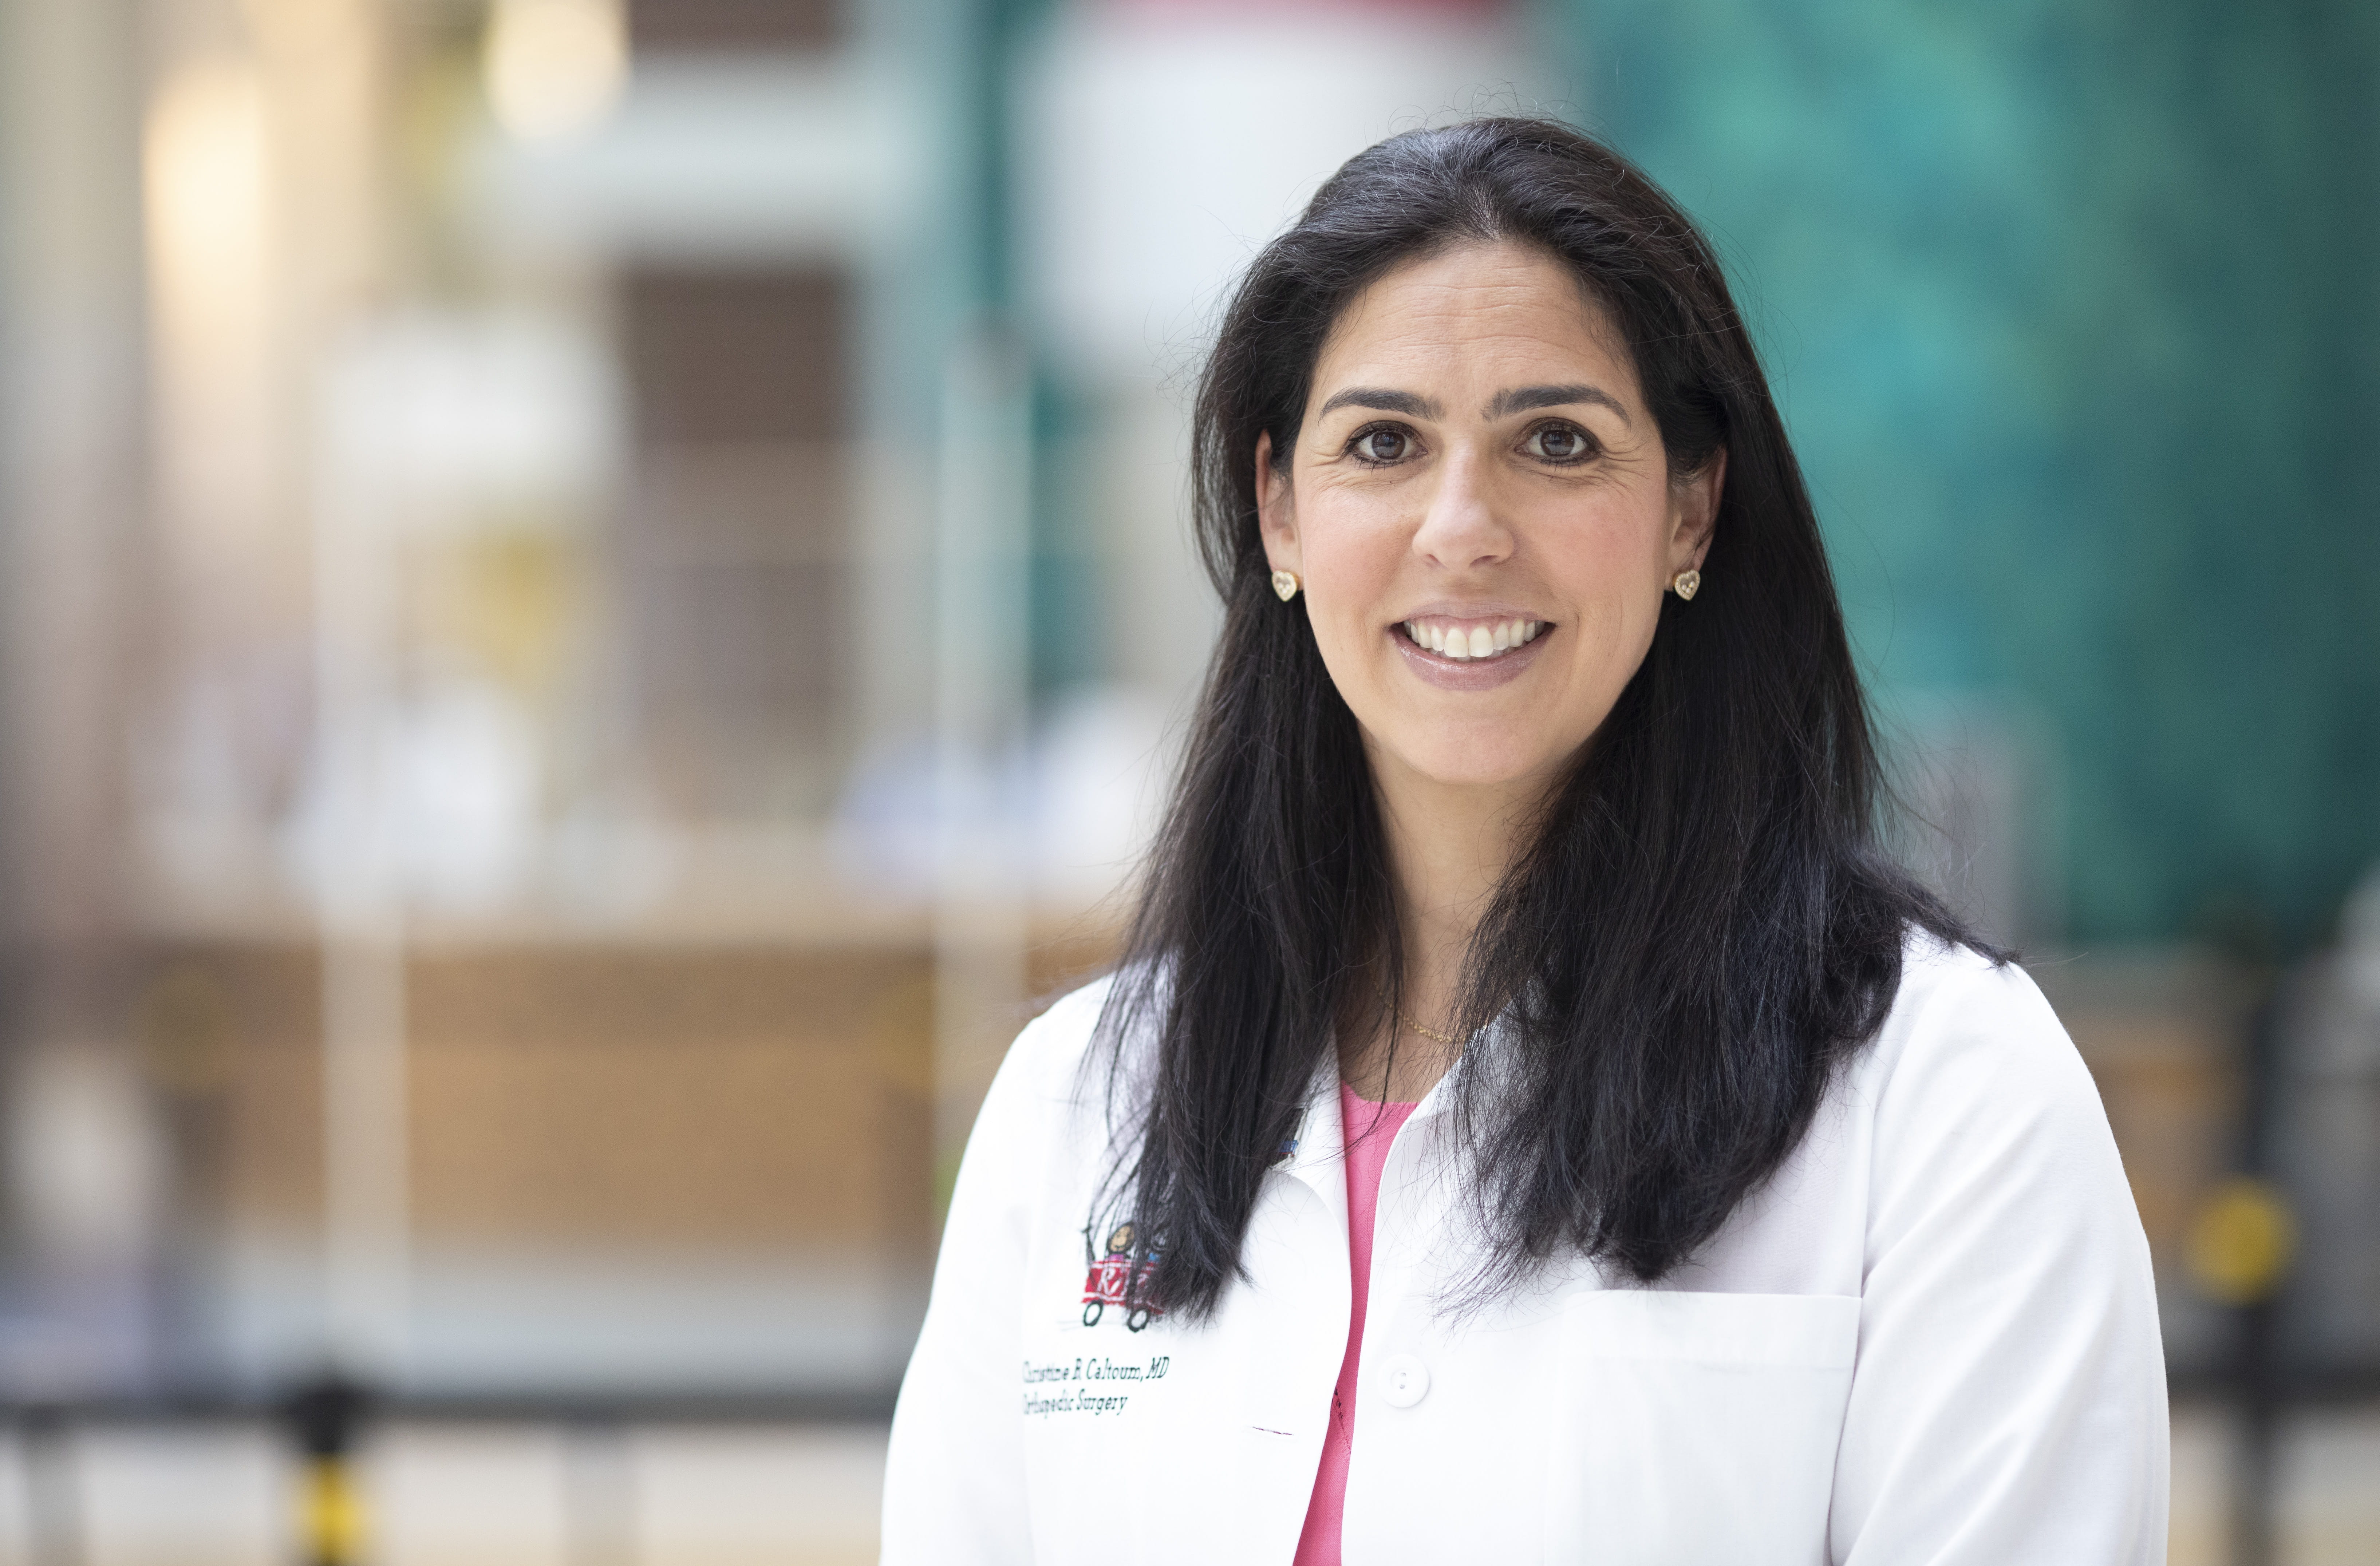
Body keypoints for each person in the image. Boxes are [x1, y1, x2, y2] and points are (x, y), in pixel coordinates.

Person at [880, 118, 2167, 1564]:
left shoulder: (1945, 1092)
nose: (1462, 526)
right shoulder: (1076, 1104)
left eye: (1556, 441)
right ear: (1279, 511)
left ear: (1690, 506)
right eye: (1383, 442)